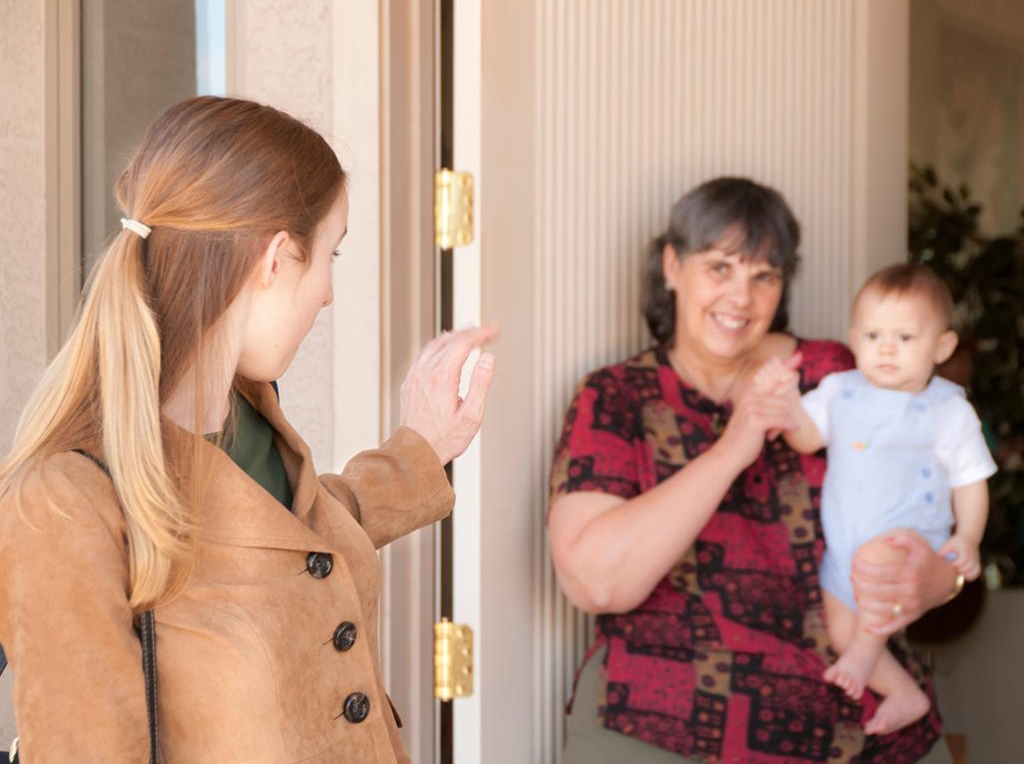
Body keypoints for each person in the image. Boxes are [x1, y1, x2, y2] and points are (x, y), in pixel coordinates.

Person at [0, 96, 496, 762]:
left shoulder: (252, 420)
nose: (327, 293)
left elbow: (298, 536)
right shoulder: (64, 500)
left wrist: (421, 450)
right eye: (332, 255)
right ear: (275, 258)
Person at [548, 177, 960, 763]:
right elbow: (596, 583)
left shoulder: (841, 377)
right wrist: (732, 447)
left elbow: (943, 495)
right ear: (672, 266)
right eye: (720, 268)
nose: (741, 298)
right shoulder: (617, 397)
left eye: (764, 275)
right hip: (663, 722)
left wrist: (944, 578)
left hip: (857, 720)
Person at [753, 264, 995, 735]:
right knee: (842, 631)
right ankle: (904, 692)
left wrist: (968, 537)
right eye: (872, 335)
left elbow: (971, 480)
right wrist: (785, 404)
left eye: (905, 338)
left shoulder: (948, 410)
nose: (886, 349)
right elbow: (805, 438)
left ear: (941, 347)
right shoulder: (840, 390)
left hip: (906, 541)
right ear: (853, 338)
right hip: (844, 546)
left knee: (870, 599)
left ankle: (867, 655)